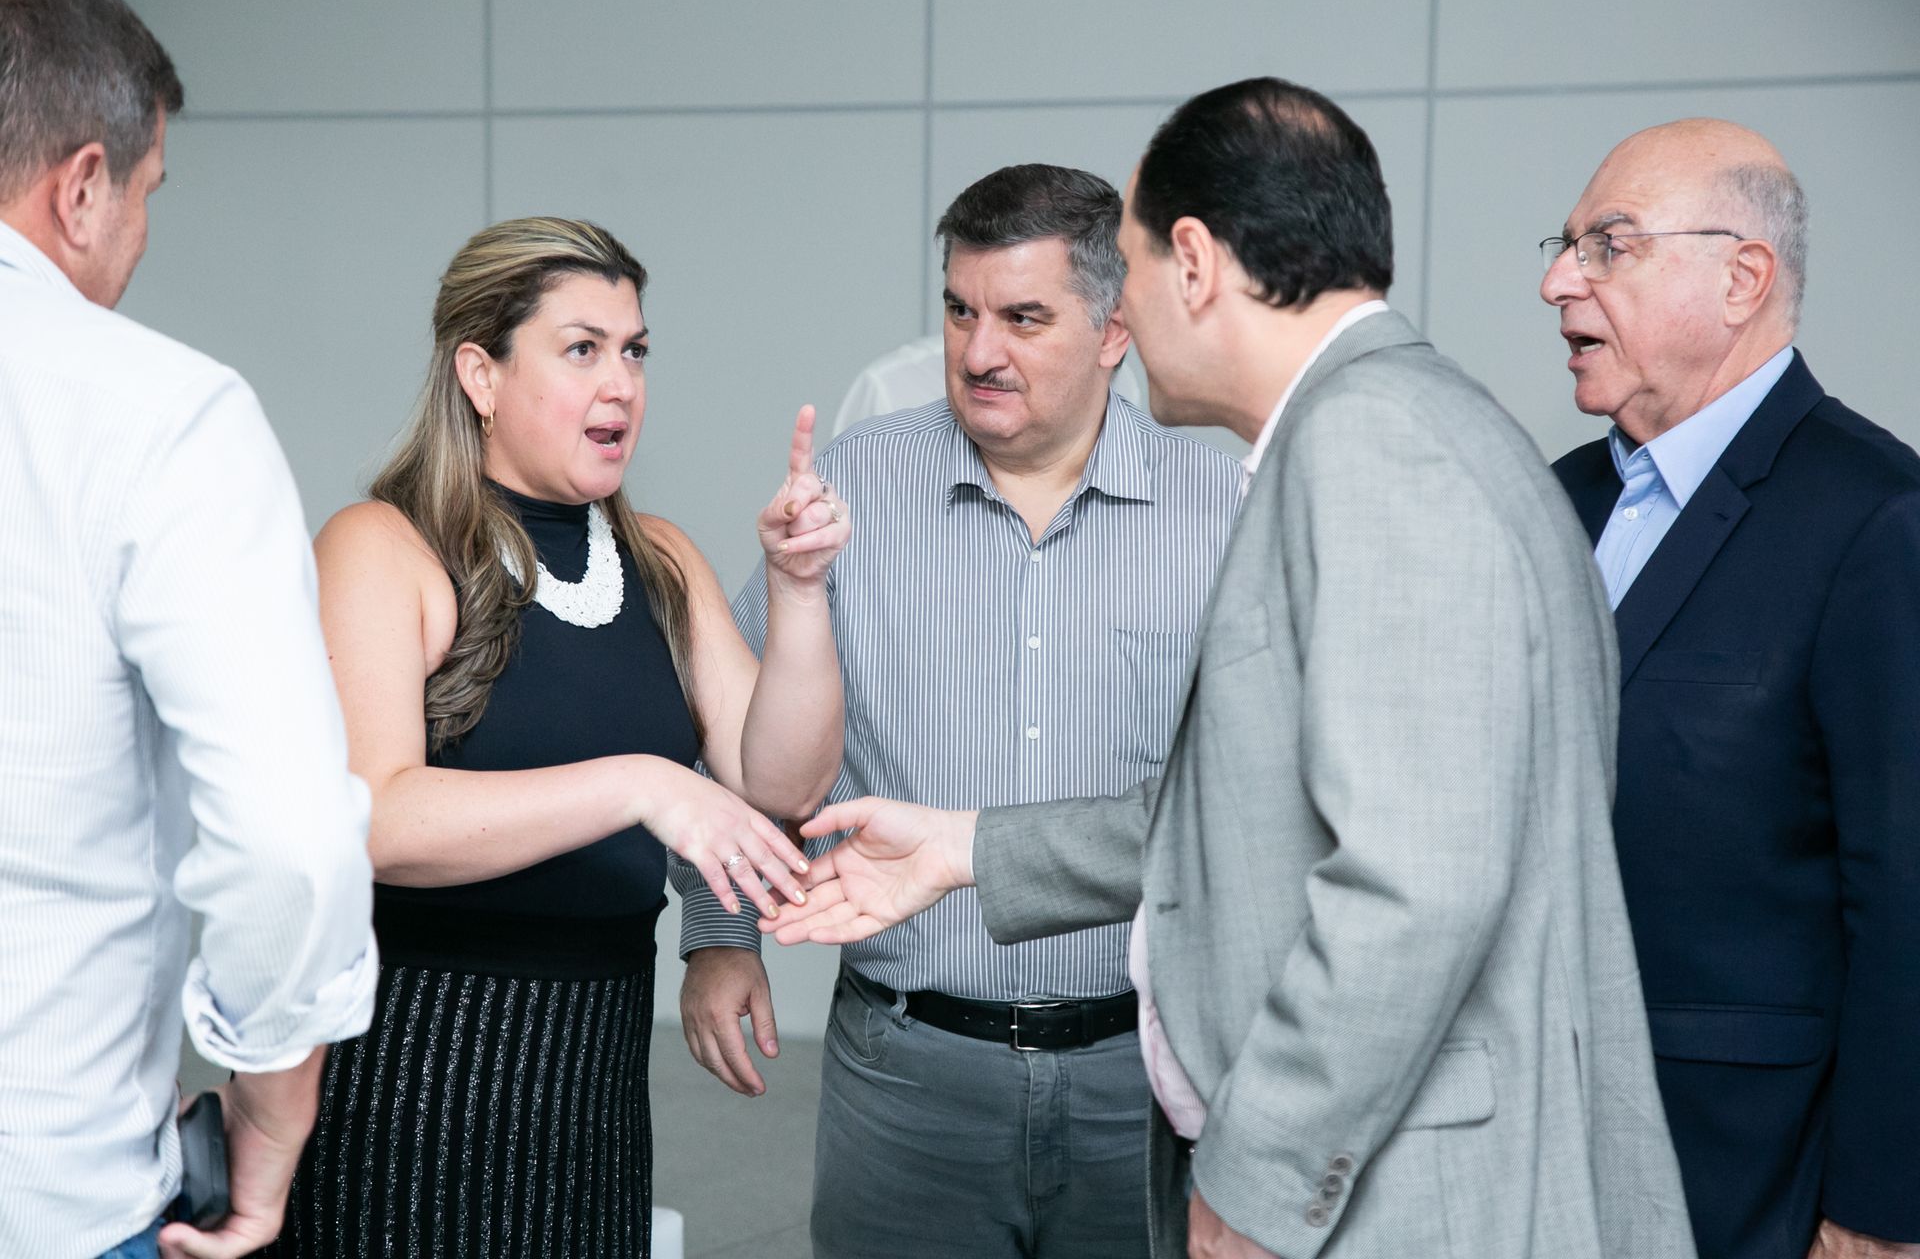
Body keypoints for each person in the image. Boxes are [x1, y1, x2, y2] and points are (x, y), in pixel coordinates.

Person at [763, 78, 1699, 1259]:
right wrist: (969, 847)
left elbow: (1415, 885)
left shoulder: (1373, 449)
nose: (1127, 314)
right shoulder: (1407, 421)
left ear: (1194, 264)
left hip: (1414, 1189)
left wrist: (1260, 1175)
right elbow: (1263, 811)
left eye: (1133, 271)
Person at [676, 164, 1242, 1259]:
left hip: (1145, 1078)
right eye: (959, 310)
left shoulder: (1223, 513)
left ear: (1115, 329)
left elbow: (1251, 801)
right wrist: (719, 933)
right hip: (907, 1070)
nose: (979, 352)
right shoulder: (854, 488)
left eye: (1023, 318)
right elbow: (732, 735)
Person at [260, 216, 845, 1259]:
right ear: (479, 375)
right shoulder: (383, 547)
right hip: (408, 1089)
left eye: (635, 351)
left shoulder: (661, 560)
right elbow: (377, 815)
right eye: (582, 349)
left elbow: (782, 782)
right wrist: (640, 784)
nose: (621, 384)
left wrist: (799, 590)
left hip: (593, 1103)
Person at [0, 0, 380, 1257]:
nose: (143, 231)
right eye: (149, 191)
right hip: (46, 1189)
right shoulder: (163, 414)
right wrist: (268, 1115)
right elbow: (287, 843)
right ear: (82, 185)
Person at [1544, 120, 1920, 1259]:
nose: (1558, 283)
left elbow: (1907, 891)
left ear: (1742, 278)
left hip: (1751, 1170)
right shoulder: (1552, 499)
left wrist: (1879, 1210)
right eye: (1565, 248)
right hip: (1535, 1149)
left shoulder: (1876, 515)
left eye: (1609, 246)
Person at [831, 332, 1146, 438]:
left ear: (1110, 335)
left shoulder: (1118, 382)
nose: (977, 359)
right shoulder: (890, 388)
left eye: (1021, 318)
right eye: (962, 311)